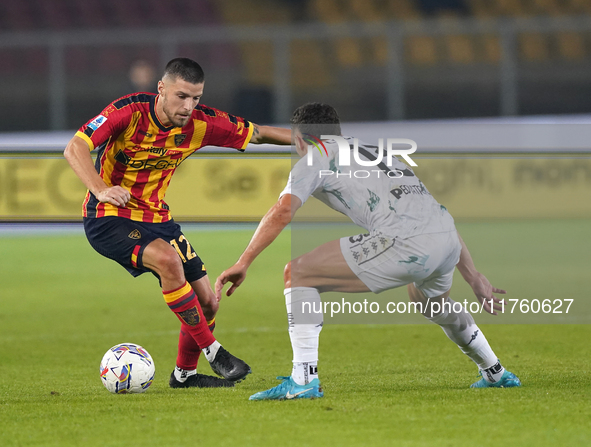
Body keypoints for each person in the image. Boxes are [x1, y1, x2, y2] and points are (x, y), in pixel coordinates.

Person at [215, 102, 521, 400]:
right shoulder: (376, 151)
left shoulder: (313, 158)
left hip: (405, 242)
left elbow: (282, 212)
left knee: (298, 274)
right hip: (446, 239)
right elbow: (435, 211)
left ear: (300, 140)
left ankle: (303, 379)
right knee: (430, 302)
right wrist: (474, 276)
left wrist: (244, 261)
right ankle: (495, 372)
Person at [64, 57, 291, 389]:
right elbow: (75, 148)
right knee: (169, 261)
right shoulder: (128, 112)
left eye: (195, 98)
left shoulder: (201, 123)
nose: (188, 106)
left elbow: (258, 134)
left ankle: (184, 375)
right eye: (181, 96)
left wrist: (313, 141)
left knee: (209, 302)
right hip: (108, 217)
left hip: (158, 219)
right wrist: (101, 190)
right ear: (162, 88)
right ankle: (214, 352)